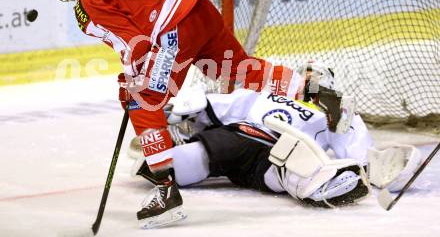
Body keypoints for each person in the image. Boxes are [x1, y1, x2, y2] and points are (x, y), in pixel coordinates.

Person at [43, 0, 324, 228]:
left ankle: (166, 190)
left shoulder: (85, 9)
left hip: (171, 34)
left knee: (140, 99)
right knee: (237, 68)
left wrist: (130, 77)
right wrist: (157, 0)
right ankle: (311, 91)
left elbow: (131, 45)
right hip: (195, 5)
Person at [132, 85, 422, 208]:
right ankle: (165, 152)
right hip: (241, 138)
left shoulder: (333, 115)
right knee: (169, 165)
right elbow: (220, 105)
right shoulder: (266, 95)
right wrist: (185, 109)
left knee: (285, 165)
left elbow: (358, 149)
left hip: (273, 158)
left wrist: (377, 169)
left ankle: (319, 184)